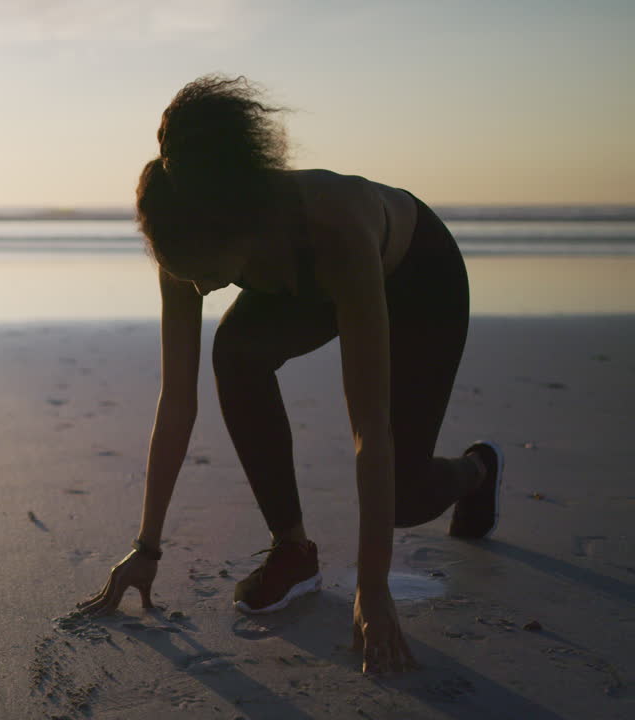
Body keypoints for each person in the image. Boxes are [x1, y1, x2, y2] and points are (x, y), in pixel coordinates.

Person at [75, 75, 505, 675]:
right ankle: (293, 550)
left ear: (237, 228)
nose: (194, 286)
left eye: (200, 270)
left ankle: (476, 470)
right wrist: (147, 546)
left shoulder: (336, 231)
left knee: (402, 497)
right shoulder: (183, 220)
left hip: (416, 276)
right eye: (179, 271)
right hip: (296, 275)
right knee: (236, 350)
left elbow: (368, 430)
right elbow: (177, 401)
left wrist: (373, 589)